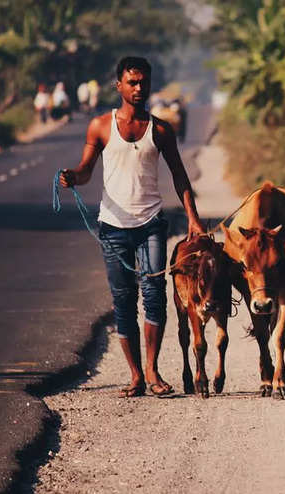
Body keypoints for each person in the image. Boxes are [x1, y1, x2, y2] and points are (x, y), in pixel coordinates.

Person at [59, 56, 206, 397]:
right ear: (119, 85)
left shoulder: (161, 130)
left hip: (151, 223)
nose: (139, 88)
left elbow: (180, 176)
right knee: (123, 300)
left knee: (154, 297)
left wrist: (194, 218)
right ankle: (136, 375)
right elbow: (85, 169)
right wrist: (72, 178)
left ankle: (153, 371)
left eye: (144, 82)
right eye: (133, 82)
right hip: (113, 227)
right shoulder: (100, 126)